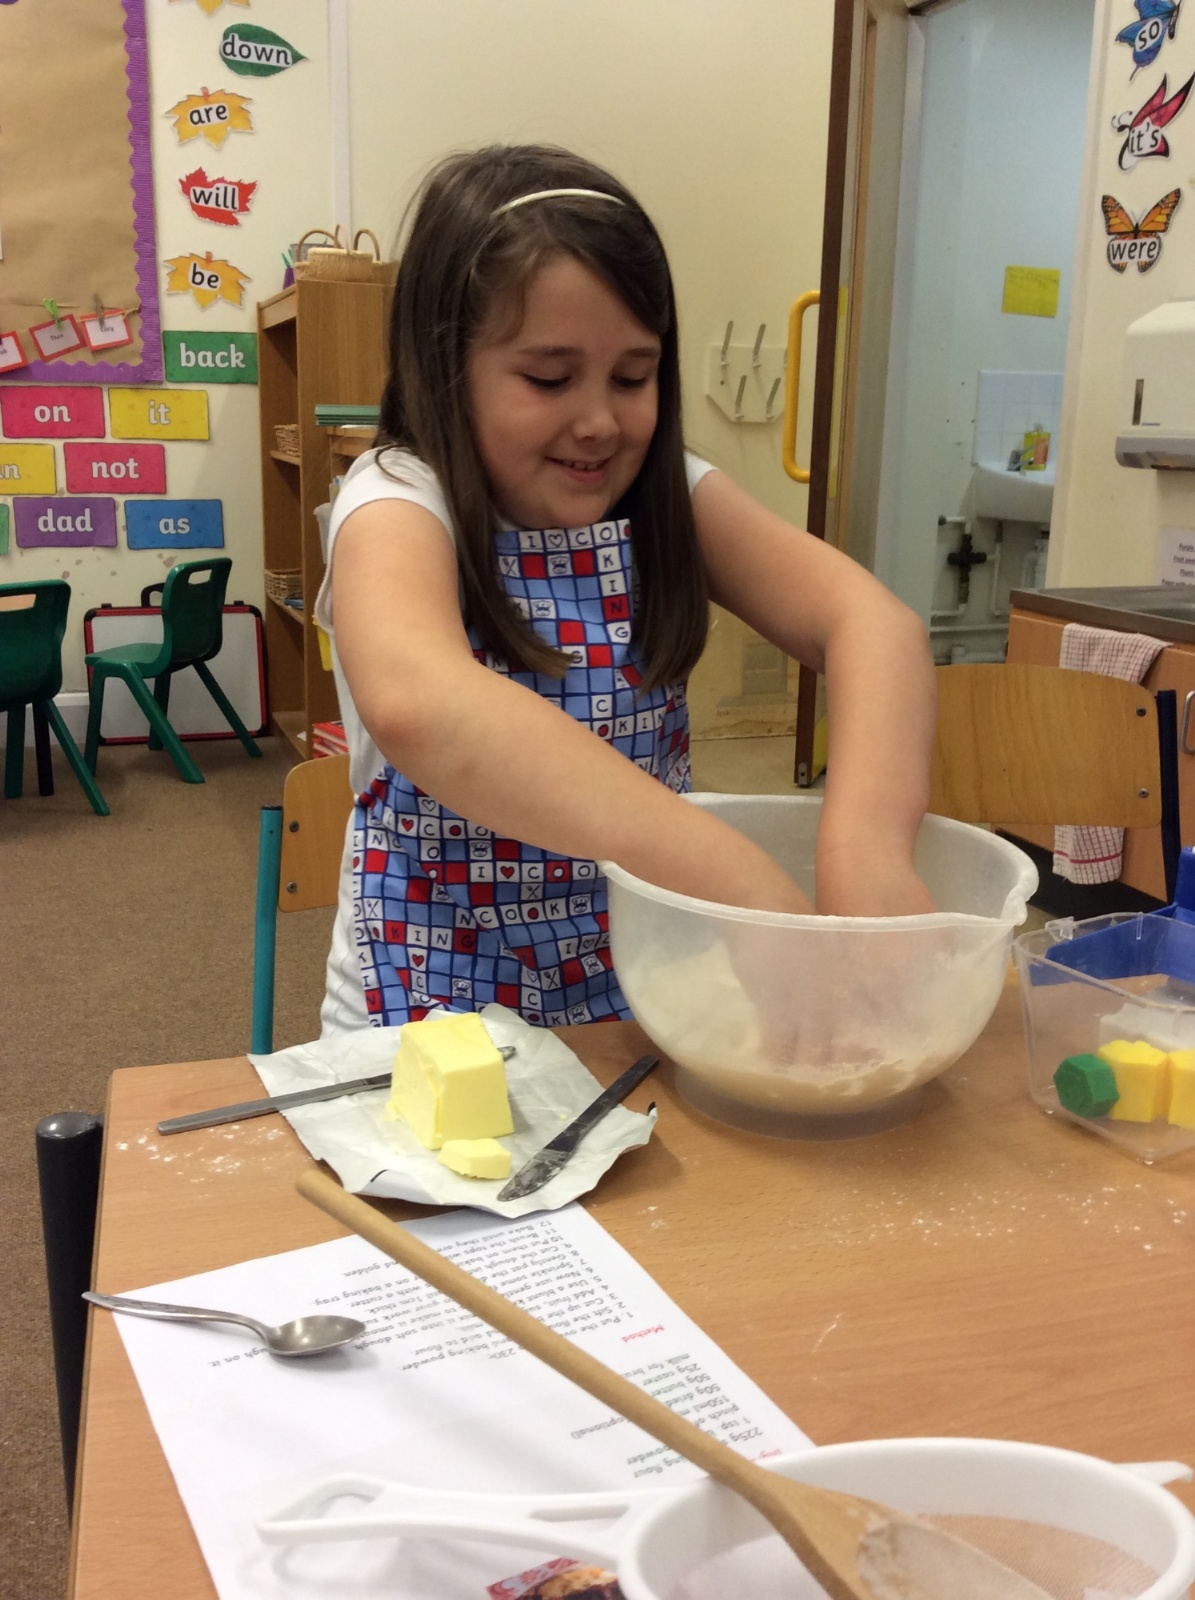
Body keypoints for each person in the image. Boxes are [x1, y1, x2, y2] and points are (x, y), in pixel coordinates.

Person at [315, 143, 935, 1035]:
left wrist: (865, 854)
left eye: (633, 376)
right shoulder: (397, 497)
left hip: (644, 990)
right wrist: (737, 879)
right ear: (443, 368)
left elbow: (871, 624)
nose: (600, 421)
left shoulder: (665, 492)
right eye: (549, 378)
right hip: (431, 1004)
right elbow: (421, 701)